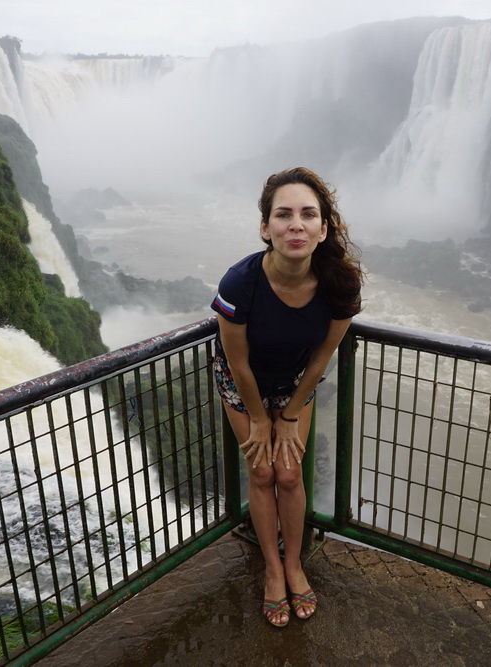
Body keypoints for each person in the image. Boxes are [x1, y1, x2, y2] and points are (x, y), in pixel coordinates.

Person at [210, 167, 364, 628]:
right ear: (265, 228)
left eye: (307, 214)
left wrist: (291, 414)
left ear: (323, 229)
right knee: (262, 471)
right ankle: (272, 570)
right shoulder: (240, 284)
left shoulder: (341, 284)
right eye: (283, 214)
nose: (295, 224)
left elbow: (321, 359)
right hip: (243, 382)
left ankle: (294, 562)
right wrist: (261, 419)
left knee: (290, 474)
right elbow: (237, 363)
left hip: (298, 379)